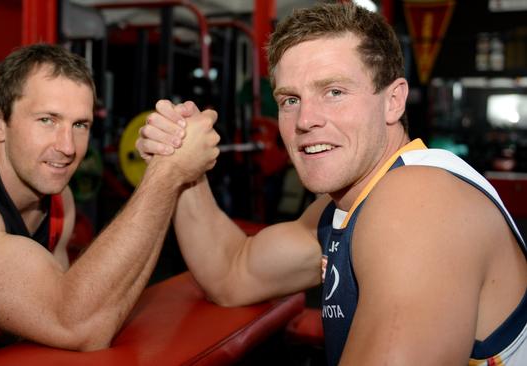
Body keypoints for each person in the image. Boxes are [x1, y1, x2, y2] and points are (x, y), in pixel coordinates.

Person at [136, 3, 527, 365]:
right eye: (290, 99)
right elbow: (232, 273)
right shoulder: (341, 207)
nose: (306, 119)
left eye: (334, 92)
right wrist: (180, 166)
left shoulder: (418, 202)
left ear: (394, 101)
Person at [0, 43, 220, 365]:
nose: (68, 147)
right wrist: (167, 173)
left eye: (80, 125)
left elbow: (68, 309)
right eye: (47, 120)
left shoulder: (58, 201)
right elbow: (77, 326)